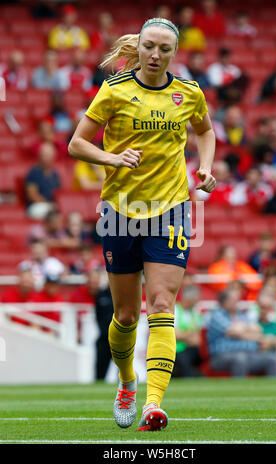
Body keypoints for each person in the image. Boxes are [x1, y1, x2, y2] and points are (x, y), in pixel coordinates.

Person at [68, 17, 216, 432]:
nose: (156, 54)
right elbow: (77, 143)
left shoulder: (188, 93)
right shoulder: (114, 90)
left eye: (164, 49)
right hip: (120, 210)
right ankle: (127, 383)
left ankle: (153, 404)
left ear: (174, 53)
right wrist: (112, 158)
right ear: (140, 47)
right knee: (127, 315)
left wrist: (205, 167)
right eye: (149, 46)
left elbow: (205, 131)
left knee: (163, 305)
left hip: (169, 209)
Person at [207, 288, 276, 377]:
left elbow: (257, 330)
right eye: (233, 299)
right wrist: (245, 330)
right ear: (224, 302)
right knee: (240, 359)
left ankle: (272, 390)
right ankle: (238, 390)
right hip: (221, 356)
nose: (237, 302)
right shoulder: (217, 315)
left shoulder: (242, 315)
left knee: (272, 359)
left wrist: (241, 331)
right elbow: (233, 331)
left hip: (249, 353)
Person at [25, 142, 61, 219]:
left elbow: (59, 193)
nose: (46, 157)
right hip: (37, 206)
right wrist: (48, 204)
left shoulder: (55, 174)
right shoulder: (34, 172)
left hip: (52, 206)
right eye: (44, 155)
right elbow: (32, 195)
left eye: (48, 155)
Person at [174, 285, 203, 377]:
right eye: (196, 298)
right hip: (176, 349)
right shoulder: (175, 310)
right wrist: (189, 336)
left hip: (191, 348)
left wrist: (184, 335)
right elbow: (175, 335)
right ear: (189, 299)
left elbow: (197, 340)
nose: (197, 301)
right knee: (184, 358)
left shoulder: (195, 312)